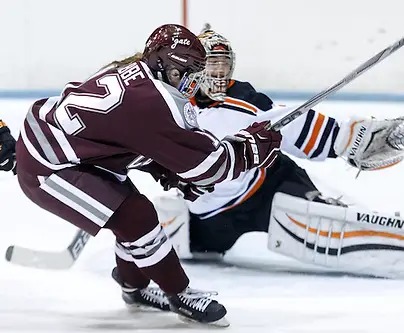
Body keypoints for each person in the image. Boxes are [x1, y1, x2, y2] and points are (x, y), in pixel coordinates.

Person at [14, 24, 282, 326]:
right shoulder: (152, 101)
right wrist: (250, 149)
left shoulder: (138, 76)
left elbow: (119, 134)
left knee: (134, 216)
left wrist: (164, 167)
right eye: (190, 75)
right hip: (49, 166)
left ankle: (134, 288)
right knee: (136, 217)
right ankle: (179, 294)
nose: (192, 86)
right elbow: (209, 166)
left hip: (64, 145)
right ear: (171, 67)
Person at [155, 28, 404, 284]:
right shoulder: (166, 108)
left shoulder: (245, 100)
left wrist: (349, 139)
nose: (219, 73)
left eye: (223, 65)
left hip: (268, 185)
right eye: (211, 65)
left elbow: (291, 124)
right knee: (180, 239)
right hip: (212, 214)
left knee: (321, 223)